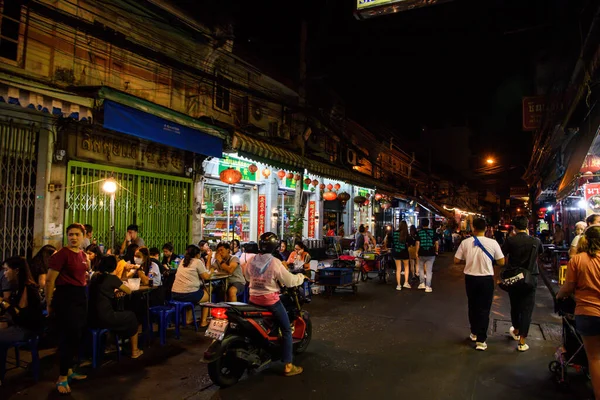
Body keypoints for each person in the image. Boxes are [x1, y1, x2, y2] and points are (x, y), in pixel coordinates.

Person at [242, 232, 304, 376]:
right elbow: (289, 281)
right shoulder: (274, 262)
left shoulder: (252, 260)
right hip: (270, 301)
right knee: (287, 330)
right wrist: (301, 277)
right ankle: (288, 365)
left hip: (253, 300)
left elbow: (247, 276)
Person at [557, 225, 600, 399]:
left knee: (595, 358)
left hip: (588, 312)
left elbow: (568, 287)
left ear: (586, 239)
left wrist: (559, 296)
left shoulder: (578, 260)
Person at [46, 223, 90, 394]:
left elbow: (83, 275)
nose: (73, 237)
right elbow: (50, 281)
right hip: (65, 298)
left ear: (83, 236)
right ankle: (62, 377)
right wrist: (49, 303)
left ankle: (70, 370)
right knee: (68, 337)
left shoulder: (82, 254)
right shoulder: (61, 255)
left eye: (77, 234)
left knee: (77, 335)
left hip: (80, 296)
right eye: (70, 234)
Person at [454, 218, 505, 351]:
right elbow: (501, 262)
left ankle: (474, 332)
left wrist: (468, 257)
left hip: (470, 278)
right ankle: (481, 341)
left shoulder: (465, 243)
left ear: (473, 227)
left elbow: (456, 260)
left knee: (472, 305)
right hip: (486, 279)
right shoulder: (493, 243)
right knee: (484, 308)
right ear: (486, 228)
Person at [88, 256, 143, 359]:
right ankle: (135, 351)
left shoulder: (95, 276)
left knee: (122, 315)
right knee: (131, 316)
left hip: (91, 317)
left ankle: (111, 345)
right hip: (105, 317)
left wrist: (115, 291)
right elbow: (128, 290)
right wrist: (118, 289)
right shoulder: (112, 278)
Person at [0, 257, 44, 385]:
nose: (4, 273)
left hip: (28, 329)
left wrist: (3, 303)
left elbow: (22, 316)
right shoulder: (18, 286)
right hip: (19, 325)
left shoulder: (28, 289)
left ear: (17, 271)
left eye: (7, 270)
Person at [502, 216, 543, 351]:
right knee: (527, 308)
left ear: (514, 227)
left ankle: (516, 329)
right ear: (527, 226)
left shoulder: (510, 240)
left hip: (515, 277)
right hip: (531, 277)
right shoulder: (536, 241)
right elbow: (540, 253)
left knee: (515, 305)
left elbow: (503, 255)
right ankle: (522, 341)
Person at [171, 245, 213, 327]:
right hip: (188, 294)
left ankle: (188, 319)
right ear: (197, 254)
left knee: (193, 293)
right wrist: (211, 270)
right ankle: (203, 321)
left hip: (175, 294)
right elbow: (206, 277)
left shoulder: (183, 261)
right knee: (207, 296)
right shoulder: (197, 261)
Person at [415, 219, 439, 293]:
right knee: (429, 270)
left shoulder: (419, 232)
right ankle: (428, 286)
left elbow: (417, 243)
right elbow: (437, 243)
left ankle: (422, 283)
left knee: (421, 269)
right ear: (428, 224)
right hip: (431, 253)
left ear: (422, 224)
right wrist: (436, 251)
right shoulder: (433, 232)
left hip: (421, 253)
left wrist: (416, 252)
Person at [392, 221, 412, 291]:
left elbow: (393, 242)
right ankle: (406, 282)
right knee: (406, 267)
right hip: (404, 252)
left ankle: (398, 285)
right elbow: (410, 243)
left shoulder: (394, 233)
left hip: (396, 252)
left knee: (398, 269)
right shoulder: (406, 234)